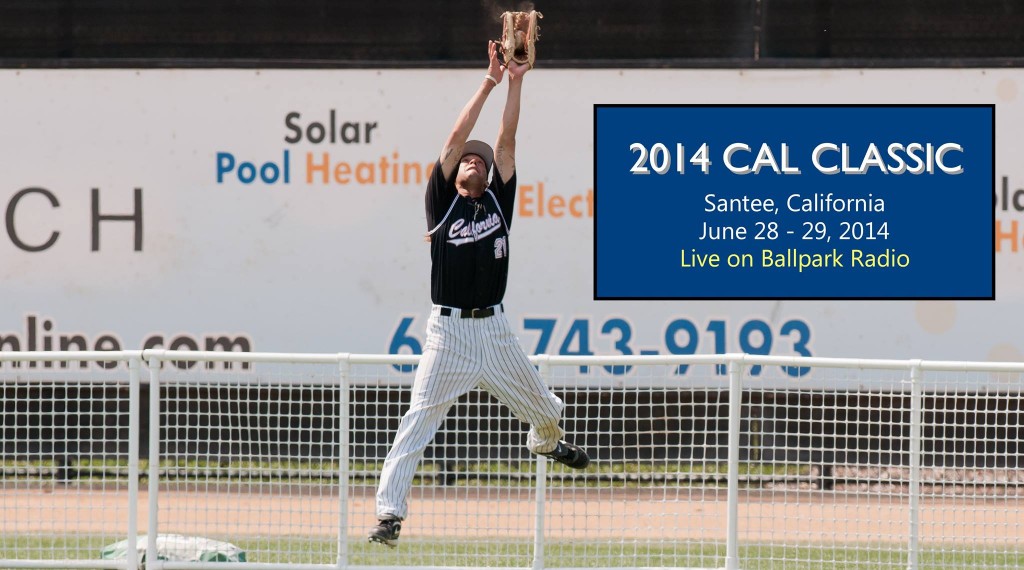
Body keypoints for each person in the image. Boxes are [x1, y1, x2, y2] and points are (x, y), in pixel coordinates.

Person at [368, 40, 590, 548]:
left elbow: (506, 141)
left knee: (548, 414)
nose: (473, 161)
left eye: (479, 162)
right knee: (418, 420)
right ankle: (389, 515)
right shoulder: (440, 203)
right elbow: (455, 137)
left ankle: (546, 444)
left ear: (489, 177)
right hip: (447, 334)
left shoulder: (497, 202)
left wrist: (517, 80)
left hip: (495, 329)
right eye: (467, 160)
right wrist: (489, 80)